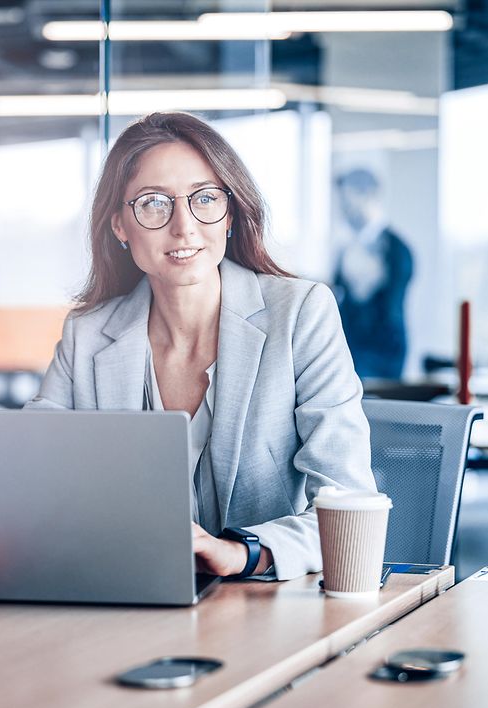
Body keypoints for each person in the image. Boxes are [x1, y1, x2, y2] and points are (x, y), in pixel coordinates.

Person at [26, 112, 376, 581]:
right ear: (119, 226)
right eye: (153, 204)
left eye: (205, 198)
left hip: (266, 607)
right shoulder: (87, 335)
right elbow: (29, 483)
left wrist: (242, 553)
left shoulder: (300, 314)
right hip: (128, 596)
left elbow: (348, 503)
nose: (184, 227)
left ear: (230, 213)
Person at [333, 168, 414, 379]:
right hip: (348, 351)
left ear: (367, 196)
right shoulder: (349, 247)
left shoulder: (396, 250)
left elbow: (386, 305)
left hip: (379, 358)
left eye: (347, 202)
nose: (343, 210)